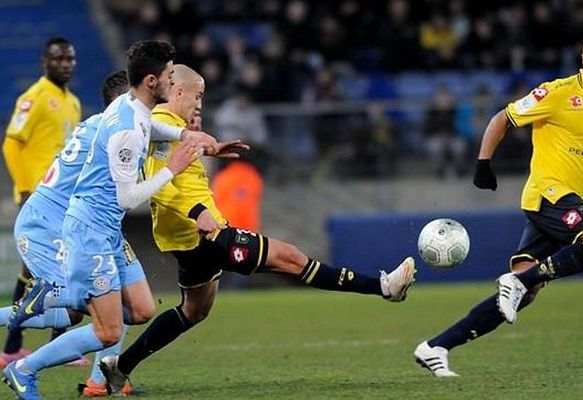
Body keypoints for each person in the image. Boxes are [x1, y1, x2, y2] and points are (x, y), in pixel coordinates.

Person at [99, 64, 416, 395]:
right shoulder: (163, 120)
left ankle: (119, 368)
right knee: (290, 258)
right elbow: (159, 185)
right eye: (199, 96)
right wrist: (197, 212)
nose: (201, 105)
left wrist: (209, 149)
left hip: (186, 236)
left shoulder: (174, 125)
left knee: (194, 310)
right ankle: (383, 286)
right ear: (178, 92)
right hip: (202, 232)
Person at [1, 40, 214, 400]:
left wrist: (185, 133)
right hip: (78, 227)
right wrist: (172, 168)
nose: (173, 83)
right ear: (151, 81)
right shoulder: (125, 132)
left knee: (142, 309)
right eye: (168, 76)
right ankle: (30, 361)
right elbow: (127, 197)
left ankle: (59, 313)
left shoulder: (125, 110)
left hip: (103, 227)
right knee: (100, 324)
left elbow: (151, 129)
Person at [414, 32, 583, 377]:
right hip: (548, 195)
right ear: (581, 58)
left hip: (572, 205)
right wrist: (483, 164)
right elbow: (503, 117)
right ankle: (519, 282)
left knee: (524, 293)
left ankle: (436, 347)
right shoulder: (558, 93)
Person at [1, 36, 82, 368]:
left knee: (41, 271)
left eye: (70, 58)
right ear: (44, 62)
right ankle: (49, 345)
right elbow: (11, 143)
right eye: (59, 58)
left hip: (63, 198)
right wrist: (23, 189)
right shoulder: (32, 99)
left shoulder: (73, 102)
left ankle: (13, 346)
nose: (65, 64)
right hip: (38, 196)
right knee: (61, 268)